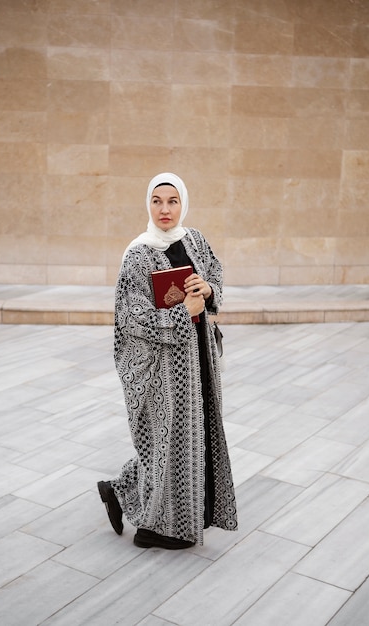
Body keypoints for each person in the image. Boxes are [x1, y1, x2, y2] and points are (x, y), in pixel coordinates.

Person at [98, 172, 237, 549]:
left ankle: (118, 489)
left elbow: (218, 277)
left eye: (172, 201)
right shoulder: (138, 253)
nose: (164, 209)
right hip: (161, 368)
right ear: (148, 203)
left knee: (193, 437)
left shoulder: (194, 240)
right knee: (166, 442)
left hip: (198, 362)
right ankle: (155, 528)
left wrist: (208, 291)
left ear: (183, 204)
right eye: (157, 200)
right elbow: (130, 317)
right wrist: (181, 313)